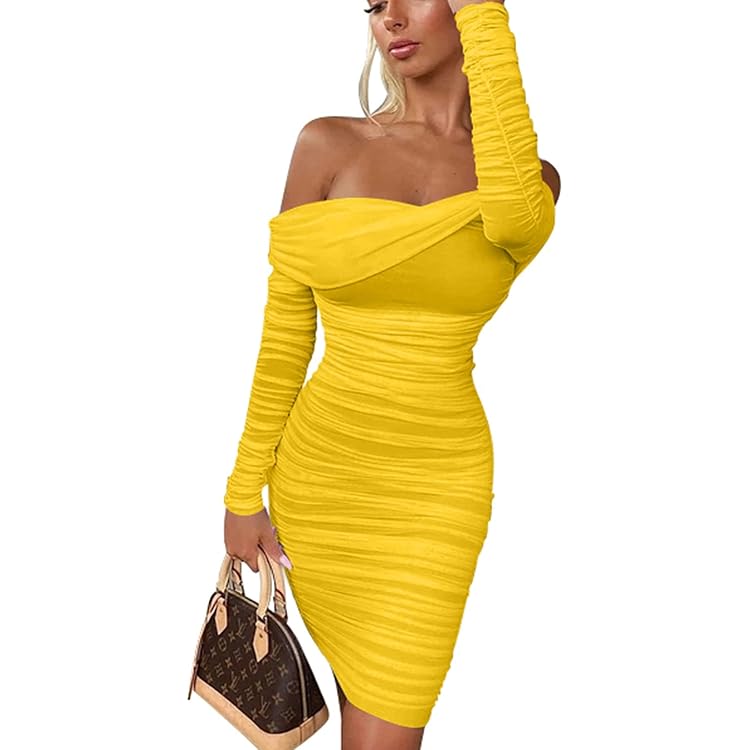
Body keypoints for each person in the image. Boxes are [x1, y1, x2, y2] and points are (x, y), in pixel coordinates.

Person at [223, 1, 561, 748]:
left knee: (390, 716)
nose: (391, 19)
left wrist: (487, 23)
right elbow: (285, 332)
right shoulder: (327, 144)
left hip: (438, 488)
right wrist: (243, 490)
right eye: (375, 5)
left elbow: (513, 218)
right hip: (324, 475)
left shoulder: (527, 181)